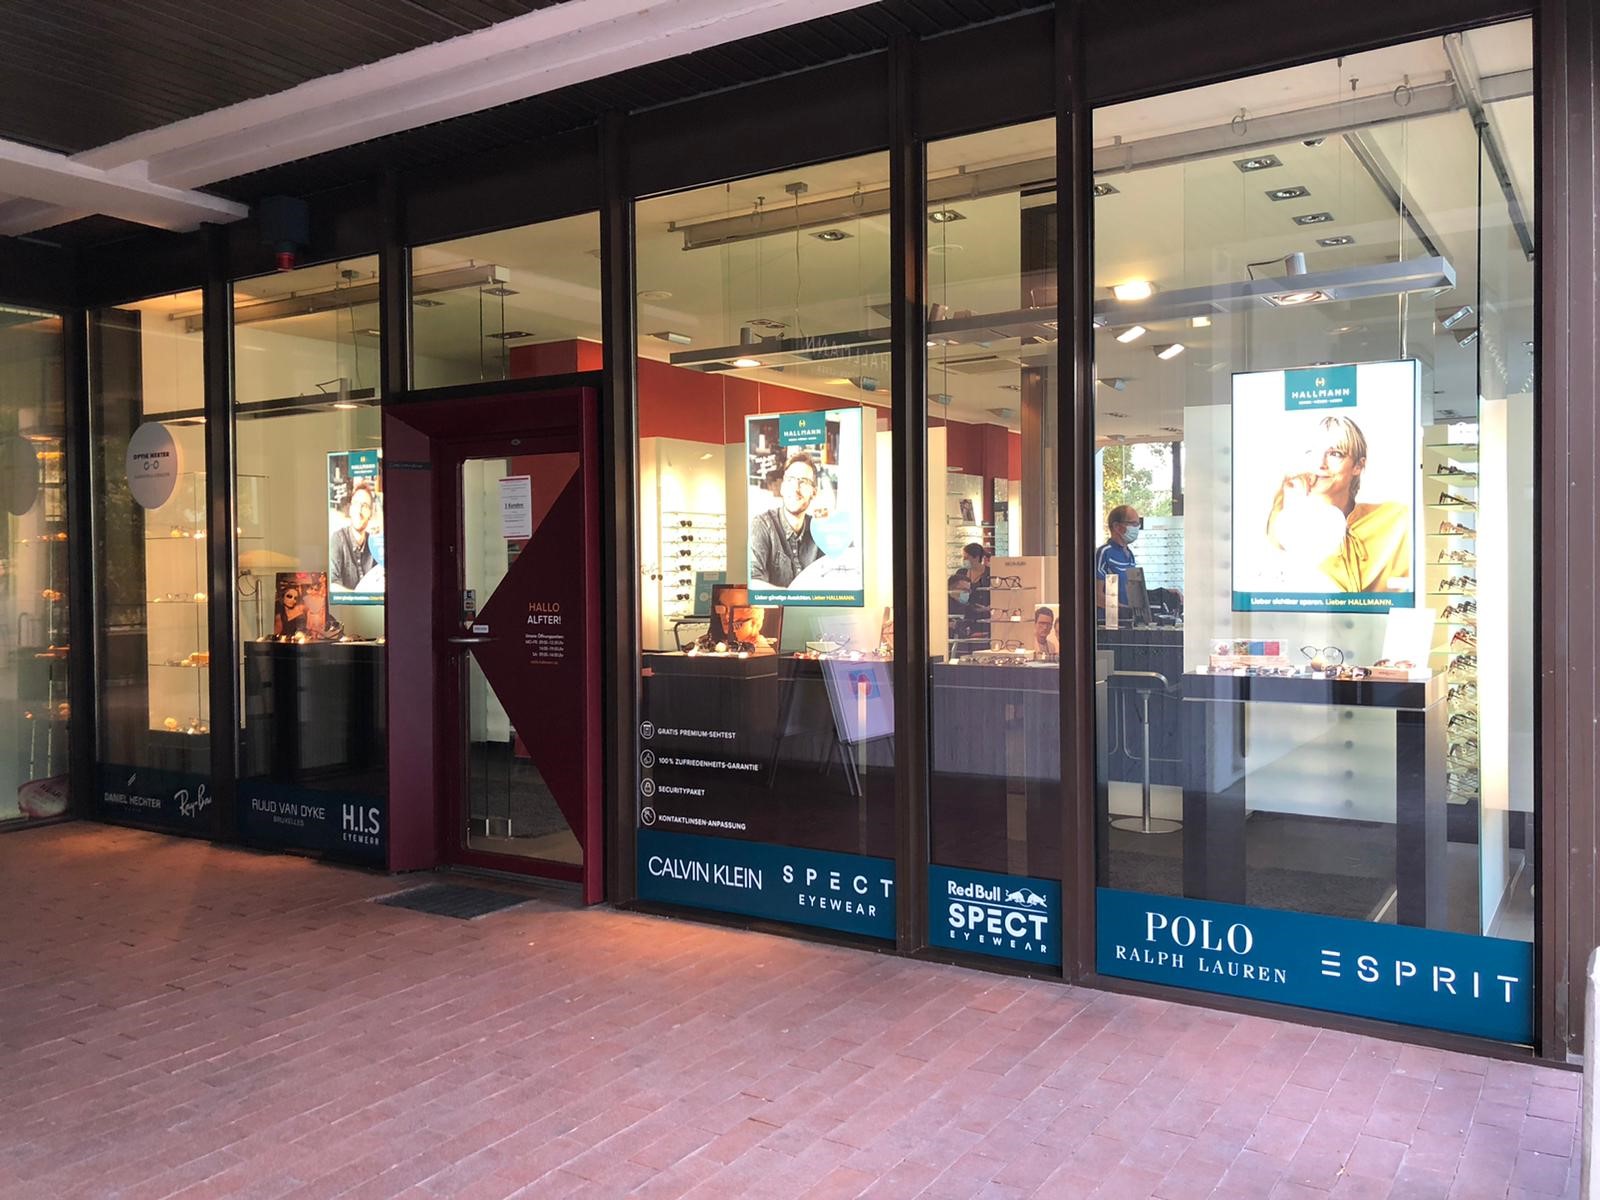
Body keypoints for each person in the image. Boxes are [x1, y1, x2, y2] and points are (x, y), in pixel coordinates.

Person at [1265, 414, 1410, 593]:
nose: (1320, 464)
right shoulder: (1287, 526)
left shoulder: (1396, 518)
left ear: (1358, 466)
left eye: (1335, 454)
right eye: (1311, 452)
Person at [749, 452, 825, 587]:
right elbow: (753, 582)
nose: (795, 488)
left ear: (813, 492)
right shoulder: (762, 525)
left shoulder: (820, 529)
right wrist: (795, 597)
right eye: (790, 480)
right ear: (783, 488)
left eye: (803, 482)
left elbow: (846, 567)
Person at [1095, 505, 1141, 623]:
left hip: (1128, 622)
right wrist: (1123, 610)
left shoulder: (1129, 554)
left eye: (1138, 524)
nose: (1137, 528)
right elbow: (1097, 596)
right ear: (1117, 526)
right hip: (1108, 622)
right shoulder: (1104, 552)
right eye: (1133, 524)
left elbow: (1132, 591)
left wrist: (1164, 592)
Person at [329, 481, 378, 590]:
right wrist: (359, 597)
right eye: (356, 504)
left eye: (364, 506)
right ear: (350, 509)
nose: (359, 511)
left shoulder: (374, 544)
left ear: (370, 513)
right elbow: (333, 585)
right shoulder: (337, 539)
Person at [960, 542, 992, 616]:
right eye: (963, 557)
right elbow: (958, 596)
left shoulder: (990, 573)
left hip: (985, 616)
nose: (963, 560)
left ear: (976, 557)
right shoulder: (961, 573)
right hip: (966, 615)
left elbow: (998, 597)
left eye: (966, 558)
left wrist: (988, 608)